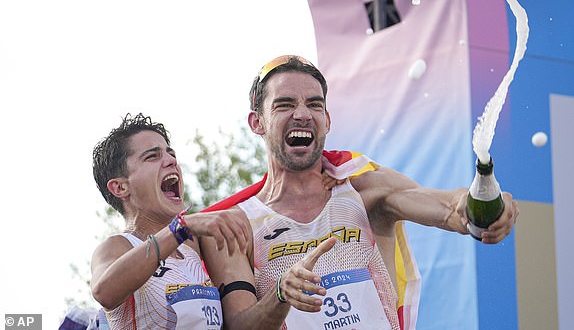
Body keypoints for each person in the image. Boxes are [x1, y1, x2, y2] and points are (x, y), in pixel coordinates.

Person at [200, 55, 519, 330]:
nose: (302, 114)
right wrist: (281, 294)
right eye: (285, 105)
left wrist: (494, 202)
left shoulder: (365, 190)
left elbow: (453, 209)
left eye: (314, 104)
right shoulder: (234, 224)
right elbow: (239, 325)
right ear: (257, 122)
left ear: (326, 120)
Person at [90, 113, 250, 329]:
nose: (171, 161)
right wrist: (181, 227)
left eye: (170, 153)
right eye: (152, 157)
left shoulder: (194, 247)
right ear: (120, 187)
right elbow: (104, 292)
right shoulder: (117, 246)